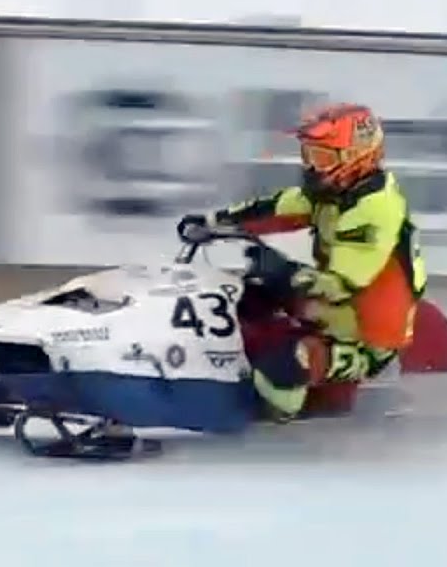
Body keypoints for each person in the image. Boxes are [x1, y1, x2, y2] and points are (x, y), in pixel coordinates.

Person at [178, 102, 428, 423]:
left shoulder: (375, 209)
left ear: (355, 158)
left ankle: (271, 419)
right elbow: (279, 207)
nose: (311, 167)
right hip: (332, 316)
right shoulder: (334, 193)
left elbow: (339, 285)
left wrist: (280, 270)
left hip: (366, 335)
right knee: (244, 299)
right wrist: (215, 222)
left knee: (285, 364)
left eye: (322, 158)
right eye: (309, 155)